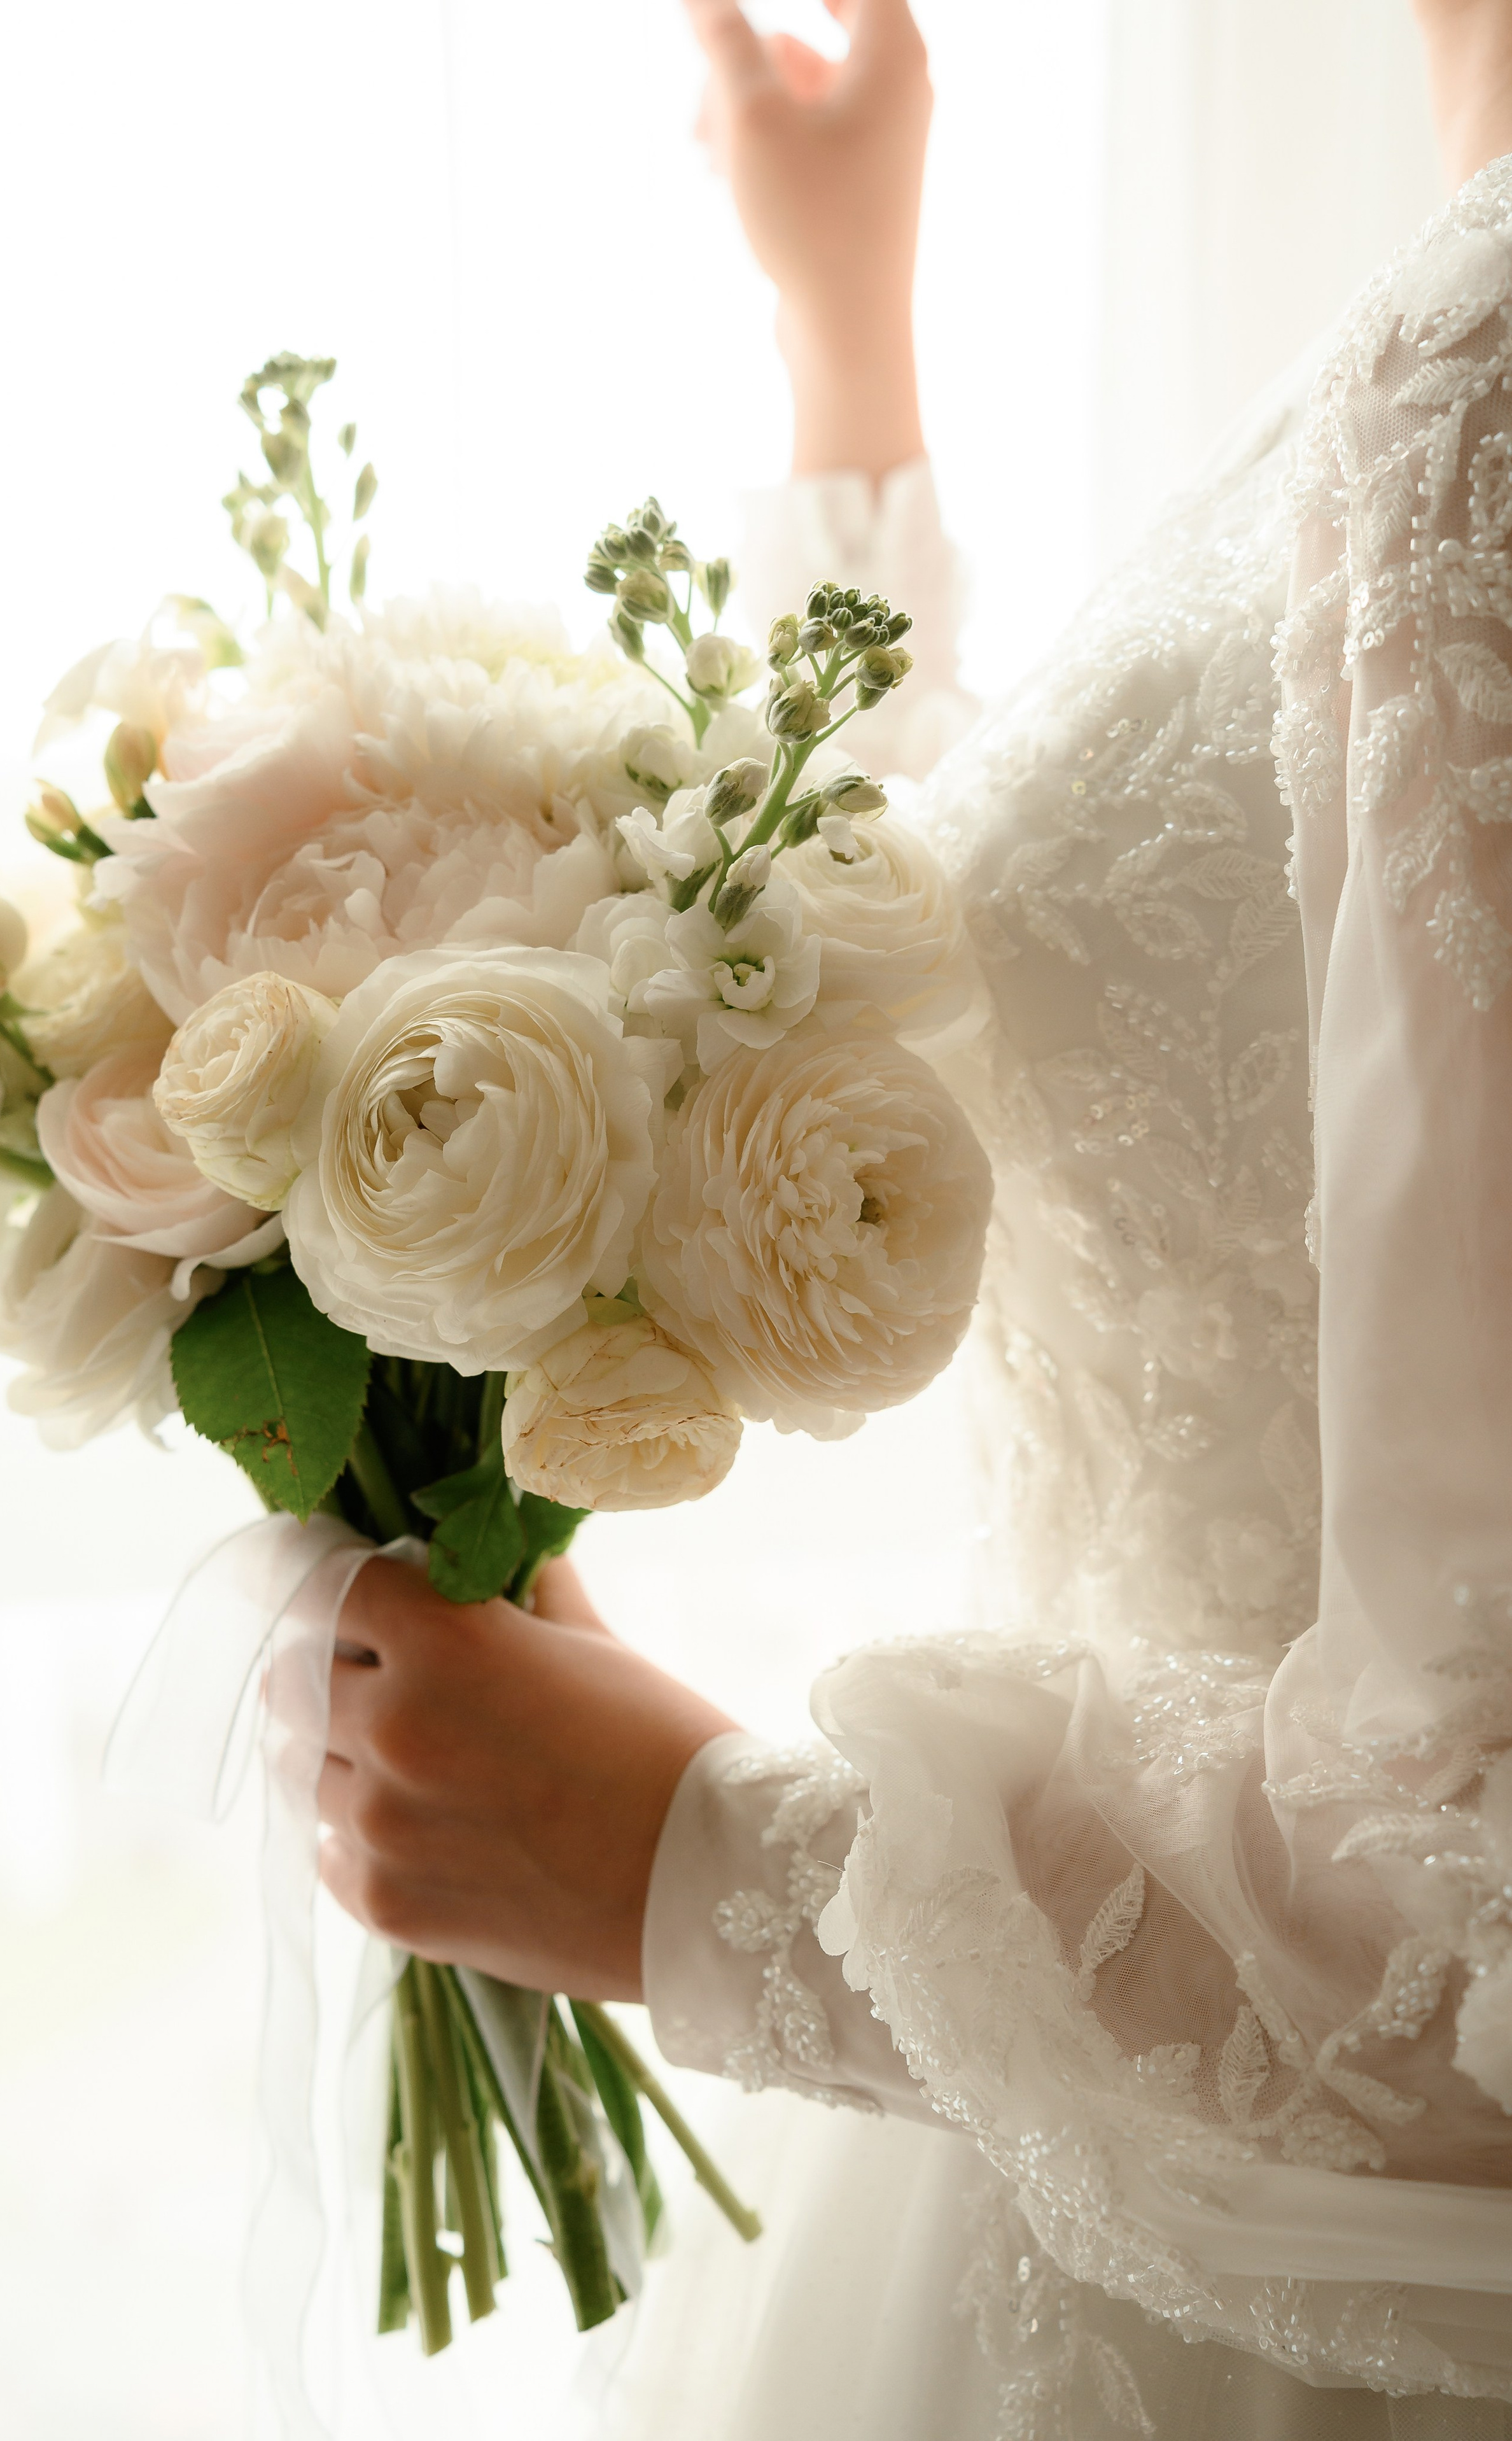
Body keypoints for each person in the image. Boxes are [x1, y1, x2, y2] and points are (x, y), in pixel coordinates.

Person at [316, 1, 1512, 2428]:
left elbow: (1467, 1933)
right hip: (1089, 2160)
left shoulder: (1475, 391)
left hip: (1255, 2285)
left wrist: (701, 1867)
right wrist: (847, 339)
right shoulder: (1435, 293)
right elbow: (1156, 1020)